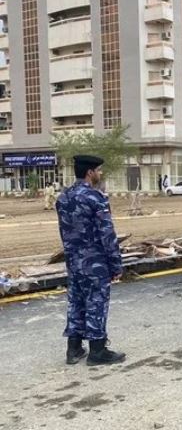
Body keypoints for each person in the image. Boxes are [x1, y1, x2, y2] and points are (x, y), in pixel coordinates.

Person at [56, 155, 126, 366]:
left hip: (73, 260)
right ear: (90, 173)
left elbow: (64, 231)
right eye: (98, 170)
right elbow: (107, 235)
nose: (100, 173)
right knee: (96, 303)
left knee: (76, 302)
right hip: (94, 262)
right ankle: (97, 351)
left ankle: (74, 349)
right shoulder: (95, 198)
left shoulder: (63, 197)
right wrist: (115, 264)